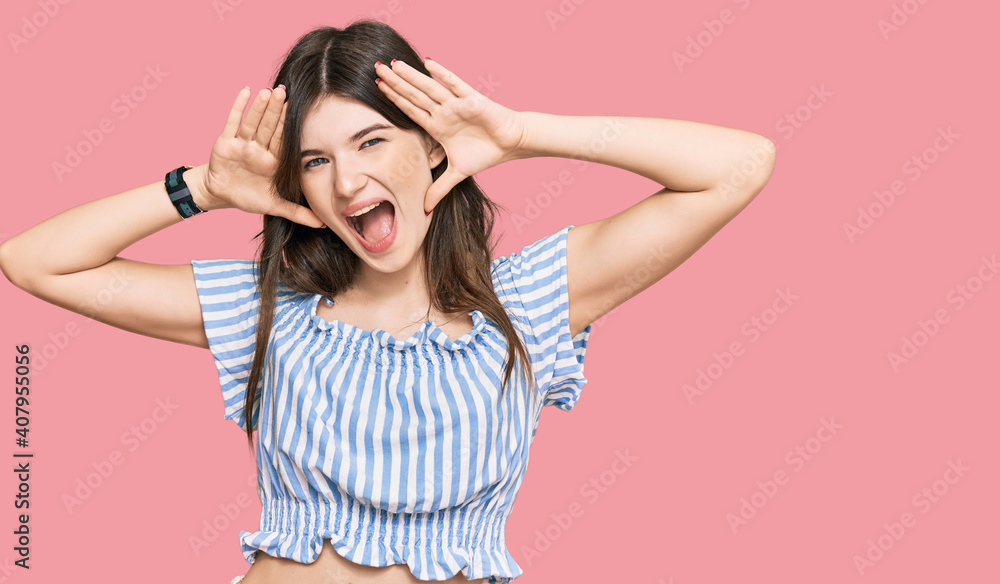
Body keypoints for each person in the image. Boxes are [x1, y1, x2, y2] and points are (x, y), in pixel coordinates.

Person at [0, 19, 775, 584]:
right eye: (315, 161)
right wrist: (202, 188)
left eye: (371, 142)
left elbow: (739, 165)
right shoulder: (268, 310)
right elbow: (34, 262)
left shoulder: (528, 303)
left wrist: (519, 132)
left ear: (432, 144)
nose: (347, 182)